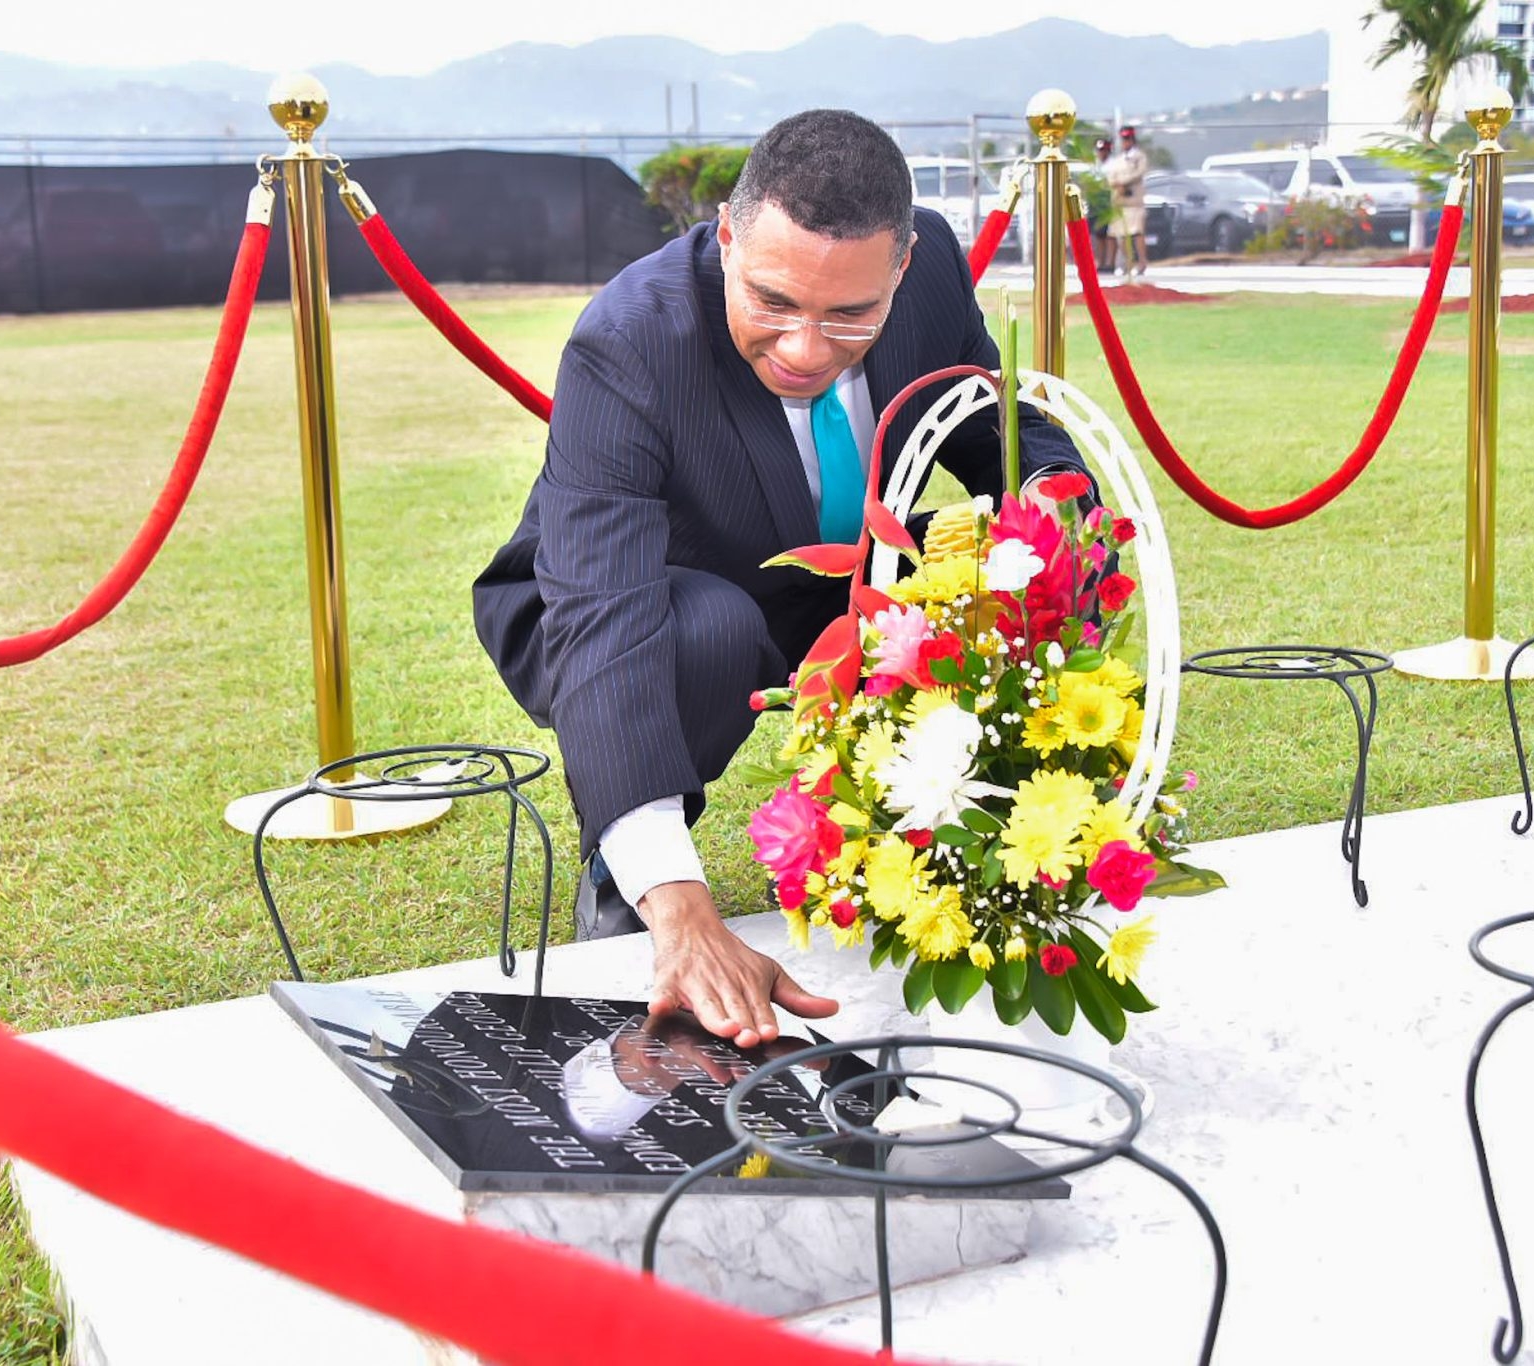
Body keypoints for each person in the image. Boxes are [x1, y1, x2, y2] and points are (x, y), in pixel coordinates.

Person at [473, 109, 1085, 1052]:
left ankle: (939, 839)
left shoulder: (929, 282)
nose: (805, 350)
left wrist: (1057, 505)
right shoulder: (628, 343)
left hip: (840, 573)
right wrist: (677, 906)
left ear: (902, 266)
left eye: (849, 314)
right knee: (710, 629)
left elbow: (983, 419)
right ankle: (628, 867)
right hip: (634, 600)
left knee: (1006, 559)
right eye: (771, 303)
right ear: (726, 236)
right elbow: (604, 615)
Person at [1105, 124, 1150, 278]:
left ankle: (1142, 262)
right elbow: (1111, 176)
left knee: (1137, 233)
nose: (1126, 142)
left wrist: (1124, 182)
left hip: (1134, 201)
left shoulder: (1139, 157)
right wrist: (1116, 184)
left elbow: (1139, 173)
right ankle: (1127, 263)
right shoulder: (1118, 160)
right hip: (1120, 201)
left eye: (1128, 139)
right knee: (1121, 235)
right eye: (1124, 139)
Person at [1088, 136, 1120, 275]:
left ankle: (1110, 263)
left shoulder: (1113, 165)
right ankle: (1100, 262)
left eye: (1104, 150)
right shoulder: (1095, 166)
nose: (1101, 153)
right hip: (1096, 202)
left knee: (1110, 234)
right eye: (1100, 150)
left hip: (1109, 201)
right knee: (1098, 234)